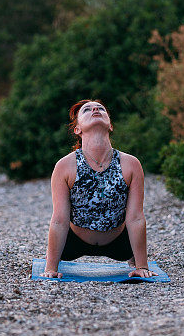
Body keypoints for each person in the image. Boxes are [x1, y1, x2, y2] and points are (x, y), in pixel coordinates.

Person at [42, 99, 157, 279]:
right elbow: (59, 220)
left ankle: (134, 259)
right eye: (87, 110)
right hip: (73, 243)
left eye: (101, 109)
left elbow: (135, 217)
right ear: (77, 129)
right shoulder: (65, 166)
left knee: (135, 256)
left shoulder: (131, 164)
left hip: (119, 244)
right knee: (54, 252)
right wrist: (50, 269)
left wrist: (142, 266)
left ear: (110, 125)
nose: (95, 109)